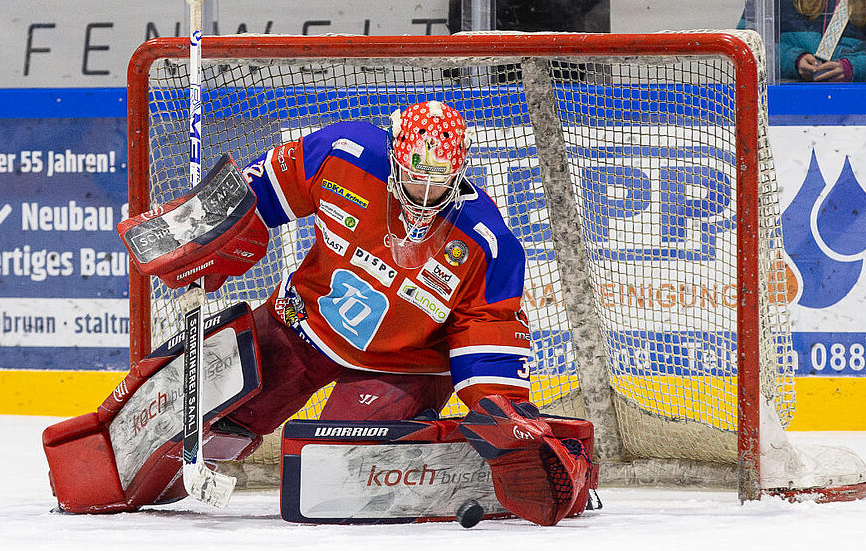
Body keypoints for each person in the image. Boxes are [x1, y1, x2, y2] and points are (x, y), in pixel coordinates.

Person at [45, 101, 593, 525]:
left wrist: (499, 409)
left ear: (461, 170)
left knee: (336, 469)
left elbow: (487, 340)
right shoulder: (344, 152)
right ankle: (105, 477)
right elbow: (261, 189)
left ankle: (549, 469)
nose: (424, 195)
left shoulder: (486, 243)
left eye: (439, 181)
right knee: (206, 403)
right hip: (301, 325)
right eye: (415, 177)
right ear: (397, 155)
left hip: (399, 366)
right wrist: (206, 232)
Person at [780, 0, 866, 82]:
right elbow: (765, 47)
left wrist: (853, 68)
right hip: (791, 91)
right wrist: (795, 61)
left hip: (852, 97)